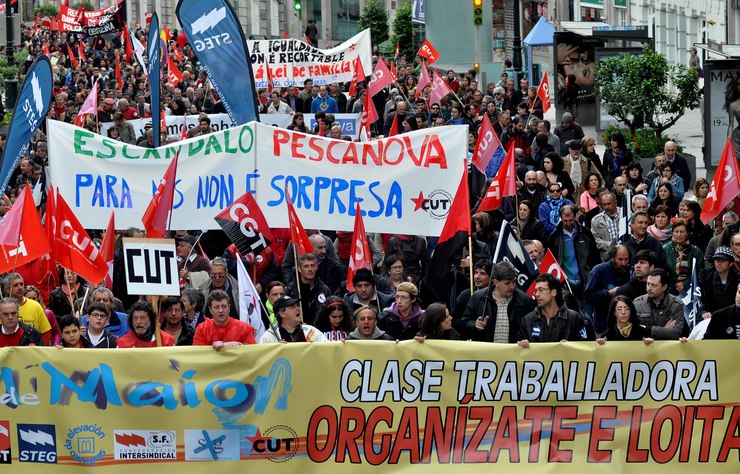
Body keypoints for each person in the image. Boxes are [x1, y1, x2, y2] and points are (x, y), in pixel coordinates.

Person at [461, 261, 536, 342]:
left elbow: (532, 328)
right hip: (487, 351)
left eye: (514, 282)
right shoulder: (478, 297)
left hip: (514, 352)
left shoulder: (525, 300)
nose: (512, 287)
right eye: (507, 283)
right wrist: (474, 325)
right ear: (495, 282)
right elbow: (464, 323)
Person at [517, 274, 595, 346]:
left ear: (553, 292)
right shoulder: (527, 320)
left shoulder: (574, 318)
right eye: (536, 291)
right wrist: (522, 345)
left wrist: (572, 346)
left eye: (541, 290)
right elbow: (518, 352)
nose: (537, 294)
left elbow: (586, 347)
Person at [548, 205, 600, 295]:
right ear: (561, 218)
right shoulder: (555, 236)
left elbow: (595, 256)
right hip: (566, 283)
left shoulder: (585, 233)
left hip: (585, 281)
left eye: (571, 220)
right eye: (565, 221)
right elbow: (551, 260)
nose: (568, 224)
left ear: (575, 216)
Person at [584, 244, 631, 333]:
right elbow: (588, 296)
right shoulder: (599, 270)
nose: (624, 263)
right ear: (612, 258)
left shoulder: (630, 270)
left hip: (626, 327)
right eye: (620, 260)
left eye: (626, 259)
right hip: (603, 326)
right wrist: (608, 293)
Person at [634, 269, 684, 340]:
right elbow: (634, 331)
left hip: (666, 349)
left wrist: (647, 330)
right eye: (648, 284)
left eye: (653, 285)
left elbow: (675, 333)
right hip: (644, 348)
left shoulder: (676, 304)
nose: (649, 288)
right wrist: (664, 330)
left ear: (664, 287)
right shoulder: (637, 303)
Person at [3, 273, 51, 344]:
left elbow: (45, 333)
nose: (20, 287)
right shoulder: (2, 308)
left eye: (21, 284)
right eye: (15, 285)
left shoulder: (35, 306)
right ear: (7, 289)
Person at [259, 296, 326, 343]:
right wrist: (275, 350)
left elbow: (328, 350)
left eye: (297, 305)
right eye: (292, 306)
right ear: (282, 313)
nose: (298, 308)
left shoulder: (311, 332)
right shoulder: (268, 337)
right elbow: (262, 360)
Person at [663, 218, 704, 294]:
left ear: (687, 233)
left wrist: (685, 284)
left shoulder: (696, 251)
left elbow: (701, 273)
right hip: (669, 292)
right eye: (676, 231)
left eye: (682, 232)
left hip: (691, 292)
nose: (679, 235)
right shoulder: (665, 249)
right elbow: (661, 271)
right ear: (672, 233)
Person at [701, 246, 739, 315]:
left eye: (723, 261)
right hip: (712, 317)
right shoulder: (707, 279)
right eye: (717, 260)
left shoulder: (737, 279)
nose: (719, 263)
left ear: (730, 263)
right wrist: (704, 312)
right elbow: (702, 300)